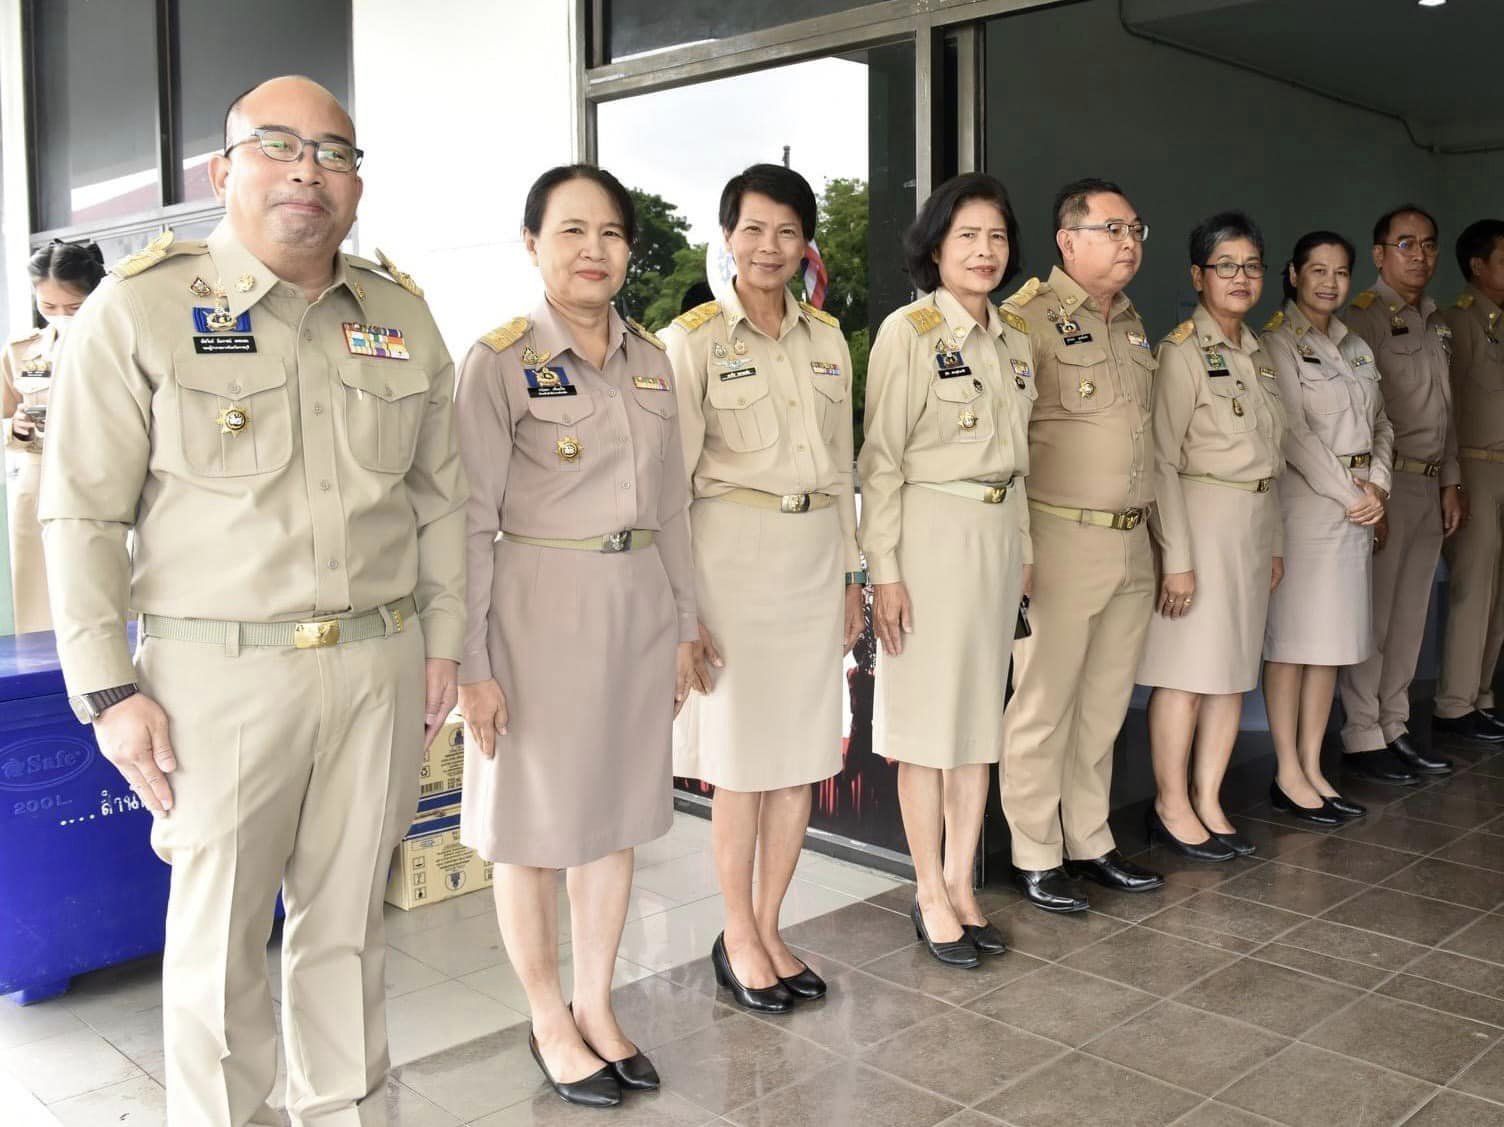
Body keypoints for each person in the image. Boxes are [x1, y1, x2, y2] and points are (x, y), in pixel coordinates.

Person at [40, 77, 466, 1126]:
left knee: (347, 932)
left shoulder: (400, 316)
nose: (308, 171)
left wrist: (444, 641)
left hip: (377, 665)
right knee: (220, 944)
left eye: (334, 152)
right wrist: (107, 688)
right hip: (215, 679)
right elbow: (81, 514)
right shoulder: (139, 306)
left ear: (356, 184)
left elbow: (441, 499)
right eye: (278, 146)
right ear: (223, 171)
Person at [454, 164, 698, 1108]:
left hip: (637, 606)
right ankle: (548, 1015)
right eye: (570, 231)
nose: (593, 249)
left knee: (616, 816)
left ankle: (598, 1003)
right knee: (532, 826)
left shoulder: (649, 358)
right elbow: (470, 521)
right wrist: (473, 662)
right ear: (532, 244)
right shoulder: (500, 359)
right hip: (537, 610)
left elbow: (671, 507)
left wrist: (685, 622)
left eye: (610, 233)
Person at [663, 164, 864, 1011]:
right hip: (732, 565)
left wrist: (854, 574)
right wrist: (682, 612)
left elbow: (847, 464)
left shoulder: (827, 339)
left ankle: (771, 925)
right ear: (728, 237)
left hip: (816, 558)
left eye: (786, 231)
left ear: (804, 243)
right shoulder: (695, 340)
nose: (769, 247)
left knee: (801, 762)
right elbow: (668, 488)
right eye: (753, 230)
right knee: (742, 765)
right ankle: (736, 933)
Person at [859, 172, 1036, 966]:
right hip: (929, 540)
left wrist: (1025, 551)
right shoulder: (910, 330)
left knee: (977, 729)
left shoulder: (1014, 339)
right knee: (928, 730)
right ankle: (928, 889)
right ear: (936, 246)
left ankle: (965, 883)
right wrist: (883, 571)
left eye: (996, 237)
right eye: (967, 236)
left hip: (998, 541)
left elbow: (1021, 463)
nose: (985, 251)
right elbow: (882, 460)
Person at [1000, 178, 1164, 912]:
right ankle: (1035, 851)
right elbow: (1007, 445)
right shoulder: (1025, 320)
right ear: (1068, 240)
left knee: (1102, 706)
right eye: (1112, 229)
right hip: (1060, 538)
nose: (1129, 243)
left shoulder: (1132, 323)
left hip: (1131, 542)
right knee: (1043, 703)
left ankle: (1089, 838)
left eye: (1135, 230)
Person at [1137, 212, 1285, 860]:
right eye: (1226, 265)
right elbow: (1162, 460)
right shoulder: (1180, 353)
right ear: (1199, 275)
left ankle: (1209, 797)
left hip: (1251, 528)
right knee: (1186, 676)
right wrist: (1178, 558)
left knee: (1231, 675)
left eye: (1251, 265)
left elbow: (1269, 457)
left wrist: (1274, 540)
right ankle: (1171, 803)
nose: (1240, 277)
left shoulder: (1260, 352)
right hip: (1199, 526)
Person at [1263, 232, 1392, 825]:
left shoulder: (1357, 346)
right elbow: (1293, 434)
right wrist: (1352, 495)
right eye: (1317, 270)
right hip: (1310, 510)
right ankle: (1287, 770)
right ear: (1293, 274)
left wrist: (1380, 486)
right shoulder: (1276, 342)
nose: (1329, 282)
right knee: (1293, 646)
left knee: (1330, 649)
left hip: (1356, 508)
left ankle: (1313, 766)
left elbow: (1383, 424)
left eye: (1341, 273)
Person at [1338, 205, 1462, 784]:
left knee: (1412, 616)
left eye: (1429, 245)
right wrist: (1373, 494)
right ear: (1381, 254)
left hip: (1428, 480)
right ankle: (1364, 734)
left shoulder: (1436, 320)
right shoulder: (1361, 320)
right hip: (1387, 486)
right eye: (1406, 244)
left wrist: (1451, 479)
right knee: (1378, 616)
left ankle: (1396, 724)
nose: (1420, 255)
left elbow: (1447, 411)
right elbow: (1359, 418)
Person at [3, 239, 104, 633]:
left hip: (102, 474)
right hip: (39, 484)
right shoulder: (21, 351)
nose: (61, 316)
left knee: (104, 583)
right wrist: (15, 429)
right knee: (39, 593)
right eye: (49, 307)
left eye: (74, 307)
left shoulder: (120, 344)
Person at [1434, 219, 1504, 743]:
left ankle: (1481, 694)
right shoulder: (1454, 322)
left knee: (1499, 591)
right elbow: (1444, 407)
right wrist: (1451, 478)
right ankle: (1454, 704)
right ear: (1478, 266)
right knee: (1472, 588)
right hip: (1475, 466)